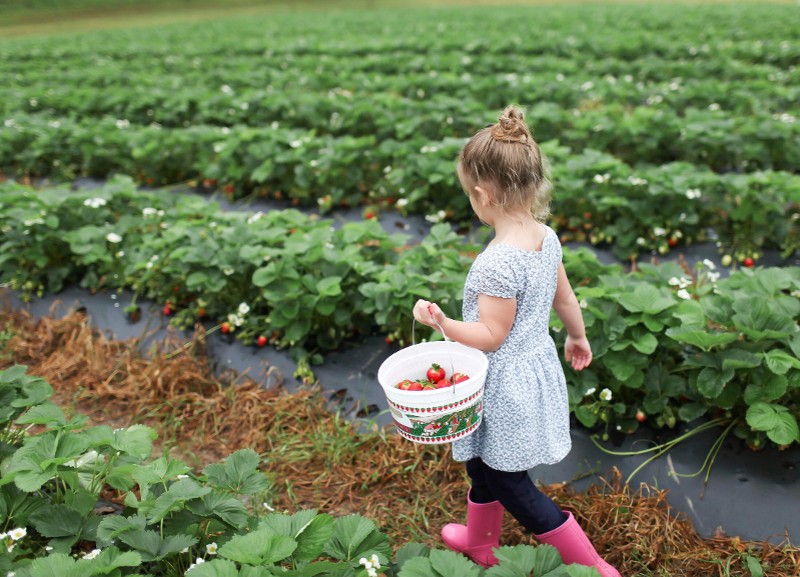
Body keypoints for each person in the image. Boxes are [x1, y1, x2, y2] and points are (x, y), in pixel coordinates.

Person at [412, 105, 621, 577]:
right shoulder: (545, 237)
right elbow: (564, 296)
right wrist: (577, 334)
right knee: (483, 467)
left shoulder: (497, 263)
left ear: (482, 194)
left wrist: (440, 322)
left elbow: (489, 336)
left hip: (503, 385)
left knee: (511, 483)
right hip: (531, 366)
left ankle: (591, 567)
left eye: (469, 193)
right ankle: (479, 542)